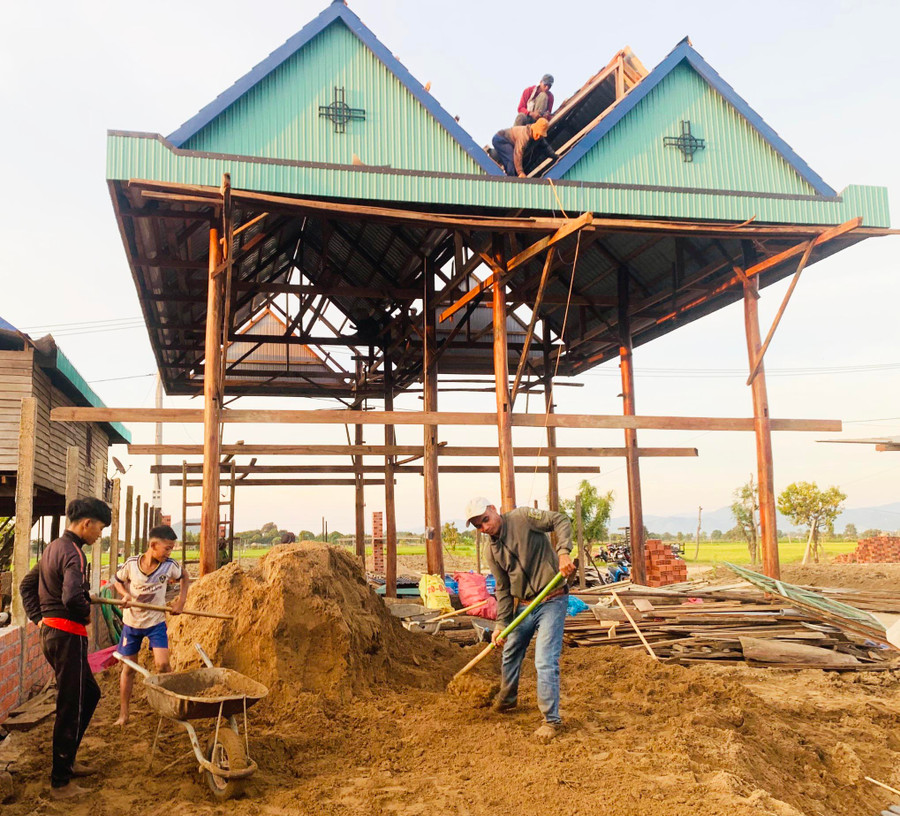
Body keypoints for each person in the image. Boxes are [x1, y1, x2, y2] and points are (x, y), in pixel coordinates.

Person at [20, 497, 111, 799]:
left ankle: (68, 761)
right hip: (67, 637)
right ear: (87, 523)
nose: (99, 535)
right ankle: (60, 782)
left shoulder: (52, 549)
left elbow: (26, 585)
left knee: (91, 693)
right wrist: (85, 611)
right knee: (70, 705)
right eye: (99, 528)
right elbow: (72, 598)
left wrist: (38, 619)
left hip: (55, 635)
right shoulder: (74, 554)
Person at [465, 497, 575, 741]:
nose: (485, 527)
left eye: (485, 519)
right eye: (478, 526)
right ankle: (507, 699)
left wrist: (564, 552)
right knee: (510, 650)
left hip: (552, 598)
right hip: (524, 607)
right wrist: (501, 624)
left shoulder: (523, 518)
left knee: (544, 659)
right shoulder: (491, 551)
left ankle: (551, 720)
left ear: (493, 510)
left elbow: (560, 519)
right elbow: (503, 590)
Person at [111, 524, 189, 726]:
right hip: (132, 623)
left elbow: (184, 577)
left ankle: (173, 707)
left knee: (163, 665)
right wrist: (125, 594)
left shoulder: (169, 565)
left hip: (156, 623)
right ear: (153, 545)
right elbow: (117, 581)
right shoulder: (131, 564)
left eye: (172, 548)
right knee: (129, 668)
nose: (169, 552)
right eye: (167, 548)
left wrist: (180, 602)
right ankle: (124, 714)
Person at [490, 118, 558, 178]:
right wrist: (520, 172)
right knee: (511, 159)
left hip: (510, 142)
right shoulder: (524, 136)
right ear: (534, 128)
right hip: (501, 139)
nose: (538, 137)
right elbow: (518, 153)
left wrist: (555, 156)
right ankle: (512, 179)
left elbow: (545, 147)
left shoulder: (539, 138)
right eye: (537, 134)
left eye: (540, 135)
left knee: (515, 160)